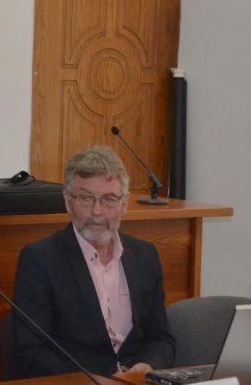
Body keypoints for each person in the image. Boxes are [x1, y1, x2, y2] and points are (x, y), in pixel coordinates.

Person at [12, 146, 174, 378]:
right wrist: (97, 381)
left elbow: (160, 338)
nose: (97, 211)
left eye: (109, 199)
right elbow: (31, 351)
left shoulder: (145, 256)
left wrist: (148, 366)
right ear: (68, 201)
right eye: (86, 198)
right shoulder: (40, 260)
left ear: (124, 203)